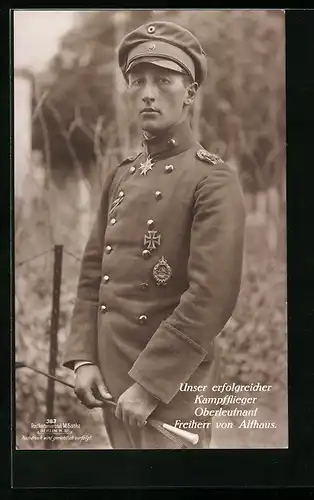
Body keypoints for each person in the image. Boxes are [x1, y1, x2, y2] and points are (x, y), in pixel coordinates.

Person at [63, 21, 246, 449]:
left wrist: (150, 384)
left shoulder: (213, 179)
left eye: (163, 80)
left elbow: (211, 297)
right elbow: (94, 275)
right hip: (110, 380)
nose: (148, 92)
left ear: (190, 92)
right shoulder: (121, 175)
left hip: (171, 387)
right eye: (137, 81)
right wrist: (84, 358)